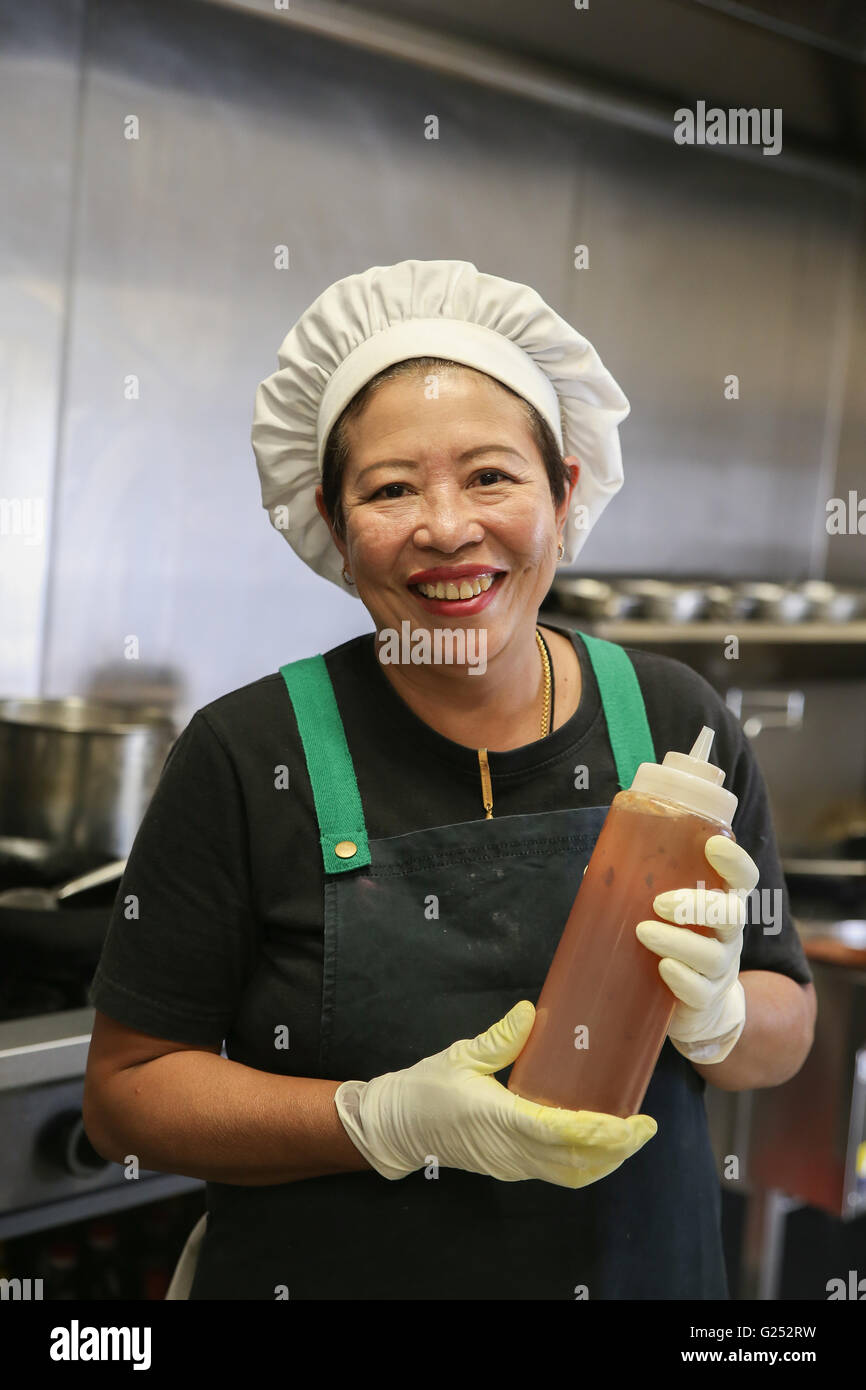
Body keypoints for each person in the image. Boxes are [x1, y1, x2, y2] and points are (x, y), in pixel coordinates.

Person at [83, 259, 815, 1300]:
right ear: (336, 529)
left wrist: (722, 1020)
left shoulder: (673, 722)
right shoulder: (248, 754)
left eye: (489, 475)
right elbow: (126, 1095)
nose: (444, 527)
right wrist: (375, 1120)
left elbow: (785, 1017)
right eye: (388, 489)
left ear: (562, 494)